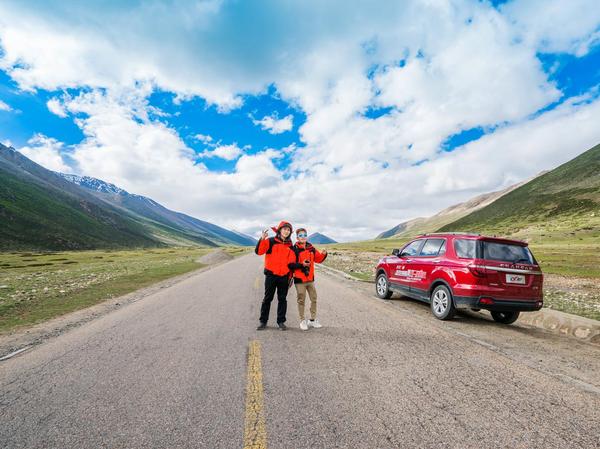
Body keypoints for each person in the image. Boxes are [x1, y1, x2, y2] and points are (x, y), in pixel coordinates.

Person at [254, 221, 296, 331]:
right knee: (267, 298)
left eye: (288, 230)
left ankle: (281, 322)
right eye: (285, 229)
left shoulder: (290, 245)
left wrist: (291, 277)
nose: (286, 231)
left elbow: (291, 263)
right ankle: (263, 321)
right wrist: (262, 239)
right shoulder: (271, 241)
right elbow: (259, 251)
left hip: (284, 277)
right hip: (271, 276)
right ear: (280, 230)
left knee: (282, 299)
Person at [291, 228, 328, 331]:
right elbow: (291, 264)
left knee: (314, 299)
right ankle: (302, 321)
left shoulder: (311, 248)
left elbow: (318, 259)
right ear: (297, 238)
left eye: (304, 235)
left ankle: (312, 320)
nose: (303, 237)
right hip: (299, 280)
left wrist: (323, 253)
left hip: (310, 279)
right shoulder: (294, 249)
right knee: (301, 300)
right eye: (300, 235)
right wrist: (301, 265)